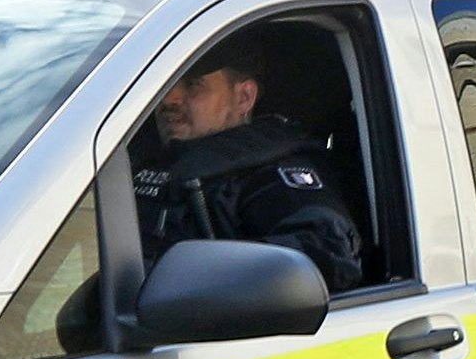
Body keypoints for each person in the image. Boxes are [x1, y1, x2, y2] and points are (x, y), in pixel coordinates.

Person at [131, 34, 370, 292]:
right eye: (165, 85)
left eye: (192, 84)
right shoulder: (128, 156)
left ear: (244, 97)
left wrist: (210, 281)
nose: (169, 100)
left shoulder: (271, 174)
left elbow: (328, 253)